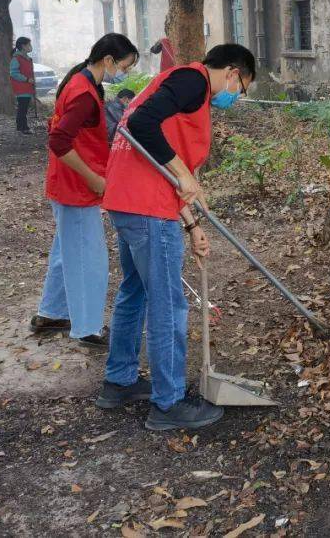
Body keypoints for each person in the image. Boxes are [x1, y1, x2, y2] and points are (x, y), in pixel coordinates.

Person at [95, 43, 255, 430]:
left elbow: (157, 162)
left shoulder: (179, 85)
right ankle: (168, 404)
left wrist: (192, 225)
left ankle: (120, 381)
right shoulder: (191, 82)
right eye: (243, 87)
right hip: (146, 207)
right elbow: (141, 125)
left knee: (135, 290)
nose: (237, 95)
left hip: (131, 201)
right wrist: (183, 172)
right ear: (233, 72)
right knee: (168, 304)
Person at [32, 33, 140, 348]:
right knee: (87, 259)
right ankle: (87, 328)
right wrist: (93, 178)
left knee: (67, 251)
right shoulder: (82, 91)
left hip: (66, 183)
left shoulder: (83, 83)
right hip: (75, 188)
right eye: (124, 66)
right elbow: (59, 141)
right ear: (108, 61)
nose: (125, 74)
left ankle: (52, 313)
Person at [10, 37, 36, 134]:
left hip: (27, 87)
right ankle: (23, 127)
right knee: (23, 108)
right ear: (23, 46)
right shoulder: (16, 58)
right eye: (29, 45)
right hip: (21, 87)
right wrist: (26, 79)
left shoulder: (27, 59)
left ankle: (21, 126)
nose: (30, 47)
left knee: (23, 108)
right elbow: (13, 73)